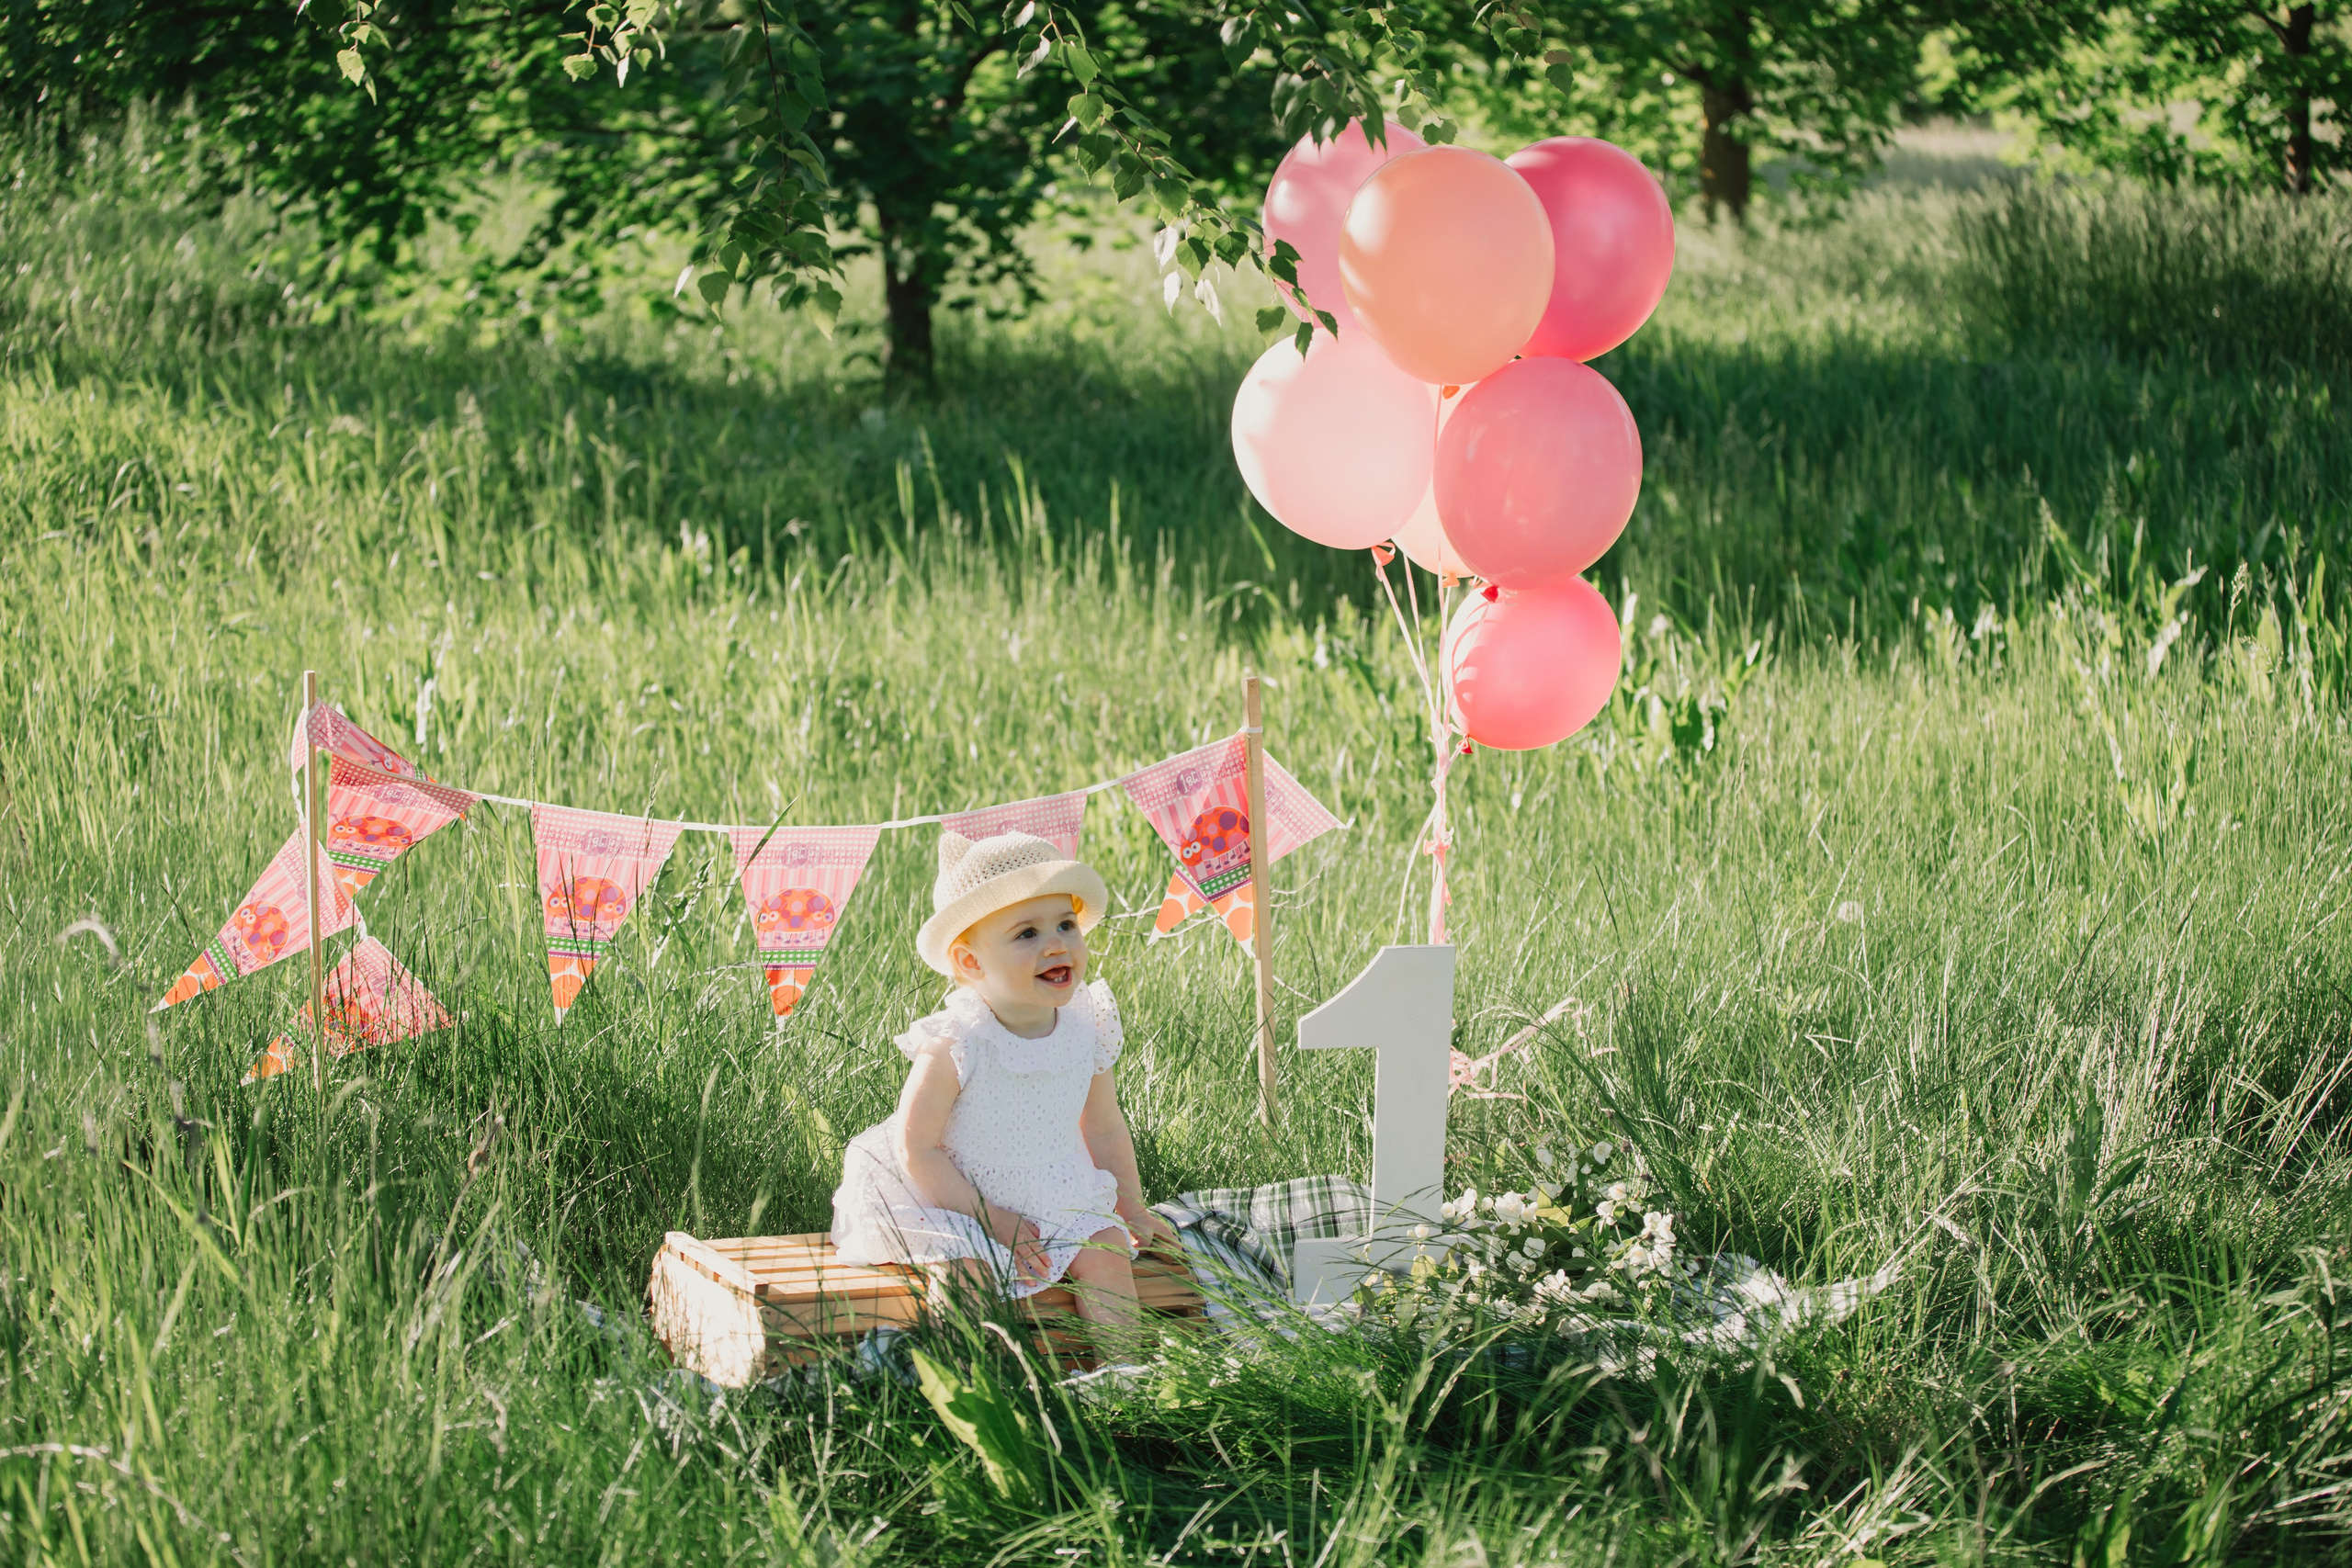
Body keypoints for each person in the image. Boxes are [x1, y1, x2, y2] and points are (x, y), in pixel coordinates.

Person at [829, 829, 1177, 1340]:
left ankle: (1124, 1379)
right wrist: (989, 1217)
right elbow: (916, 1147)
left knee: (1105, 1250)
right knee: (967, 1273)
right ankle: (967, 1383)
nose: (1057, 944)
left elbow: (1102, 1127)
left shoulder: (1087, 1025)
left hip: (1050, 1182)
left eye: (1065, 924)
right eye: (1027, 934)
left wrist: (1131, 1205)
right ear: (971, 962)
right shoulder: (958, 1040)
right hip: (952, 1193)